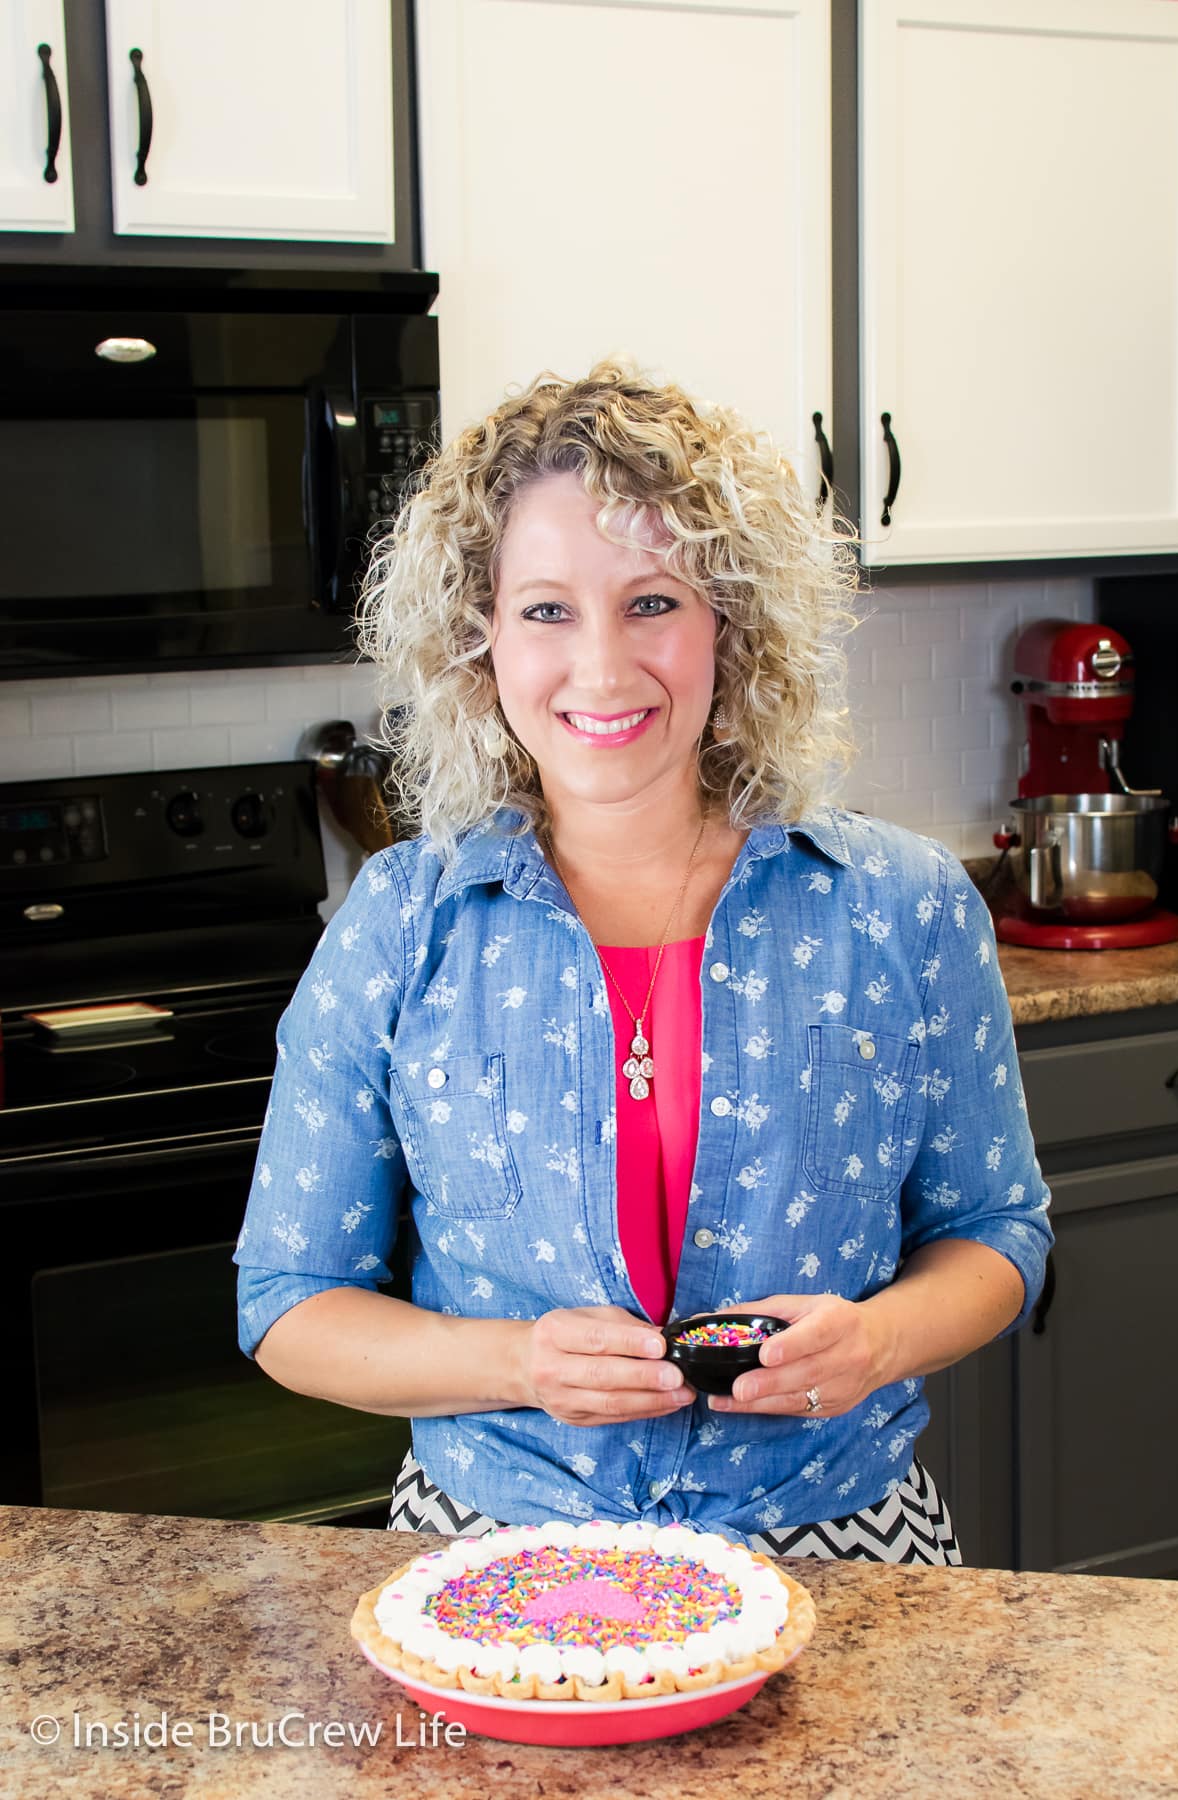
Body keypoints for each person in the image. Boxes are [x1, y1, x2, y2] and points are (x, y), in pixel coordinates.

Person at [234, 360, 1052, 1563]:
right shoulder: (404, 924)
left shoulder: (901, 906)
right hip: (494, 1559)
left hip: (843, 1546)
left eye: (655, 603)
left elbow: (998, 1229)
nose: (604, 669)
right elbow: (289, 1304)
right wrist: (516, 1363)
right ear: (483, 642)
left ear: (734, 625)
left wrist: (876, 1344)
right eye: (548, 609)